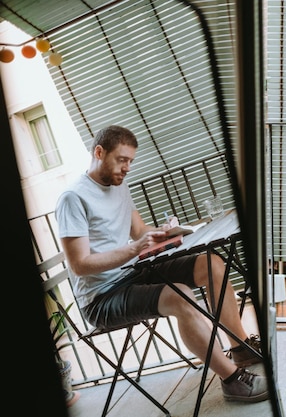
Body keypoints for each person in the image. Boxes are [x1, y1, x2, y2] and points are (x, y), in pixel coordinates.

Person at [56, 125, 268, 402]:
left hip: (133, 272)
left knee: (211, 263)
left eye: (130, 161)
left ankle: (239, 348)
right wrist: (134, 248)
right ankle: (232, 379)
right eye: (122, 160)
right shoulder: (73, 198)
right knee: (180, 295)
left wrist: (166, 232)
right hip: (102, 297)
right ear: (99, 152)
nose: (127, 168)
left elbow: (139, 232)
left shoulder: (120, 186)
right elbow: (80, 265)